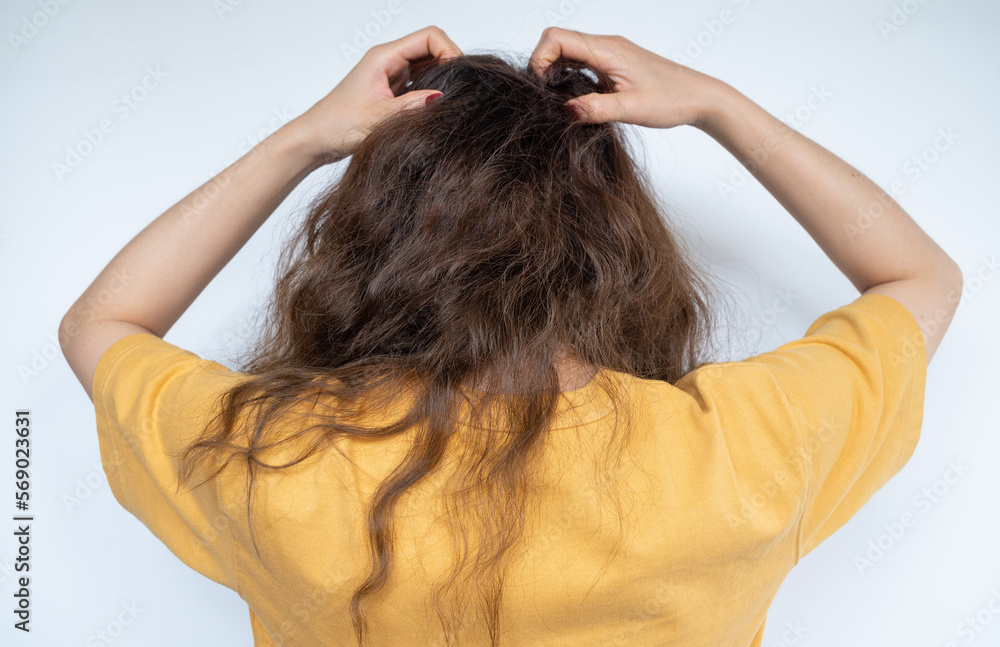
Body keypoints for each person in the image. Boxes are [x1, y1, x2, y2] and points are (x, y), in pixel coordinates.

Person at [60, 24, 961, 647]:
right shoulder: (738, 453)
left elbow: (102, 322)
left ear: (377, 237)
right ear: (614, 242)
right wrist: (716, 104)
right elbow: (920, 277)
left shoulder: (278, 461)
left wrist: (307, 138)